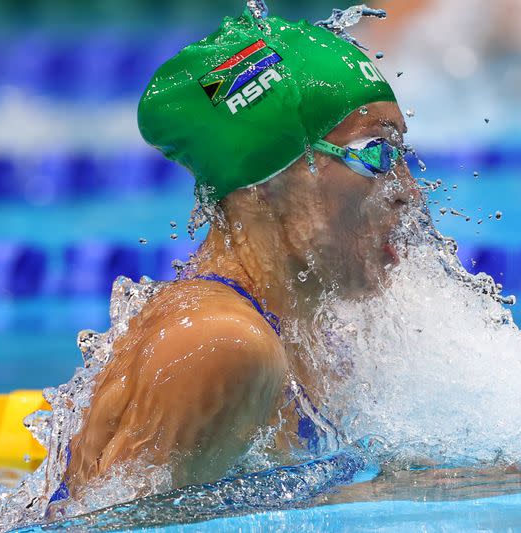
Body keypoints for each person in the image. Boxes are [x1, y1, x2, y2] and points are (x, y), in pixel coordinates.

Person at [57, 11, 419, 501]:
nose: (408, 194)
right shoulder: (222, 345)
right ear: (268, 178)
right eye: (376, 152)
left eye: (403, 155)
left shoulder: (313, 332)